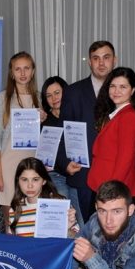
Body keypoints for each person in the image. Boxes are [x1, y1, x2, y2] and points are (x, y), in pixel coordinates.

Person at [59, 40, 117, 220]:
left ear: (114, 60)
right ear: (89, 62)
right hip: (83, 173)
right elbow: (62, 130)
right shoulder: (73, 92)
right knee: (86, 229)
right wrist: (64, 163)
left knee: (114, 227)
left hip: (116, 174)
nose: (101, 63)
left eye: (106, 57)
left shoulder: (124, 91)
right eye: (96, 58)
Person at [0, 51, 45, 211]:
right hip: (8, 166)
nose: (22, 73)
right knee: (9, 217)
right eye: (17, 69)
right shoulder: (2, 98)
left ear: (33, 71)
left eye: (26, 68)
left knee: (31, 214)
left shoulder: (39, 98)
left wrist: (43, 120)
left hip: (32, 165)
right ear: (11, 73)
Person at [88, 67, 135, 198]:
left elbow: (125, 160)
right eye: (113, 86)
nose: (116, 91)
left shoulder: (129, 117)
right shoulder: (117, 114)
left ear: (133, 90)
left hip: (113, 189)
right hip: (104, 184)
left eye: (123, 87)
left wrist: (112, 191)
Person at [41, 76, 83, 226]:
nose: (54, 98)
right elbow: (45, 155)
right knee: (62, 217)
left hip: (78, 173)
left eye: (57, 92)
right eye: (49, 95)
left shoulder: (78, 115)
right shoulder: (44, 122)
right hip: (56, 174)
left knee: (81, 217)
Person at [8, 157, 77, 237]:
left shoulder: (59, 203)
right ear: (18, 181)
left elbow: (75, 239)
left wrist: (67, 229)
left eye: (35, 179)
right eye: (24, 180)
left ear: (44, 181)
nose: (30, 185)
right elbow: (11, 242)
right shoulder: (15, 208)